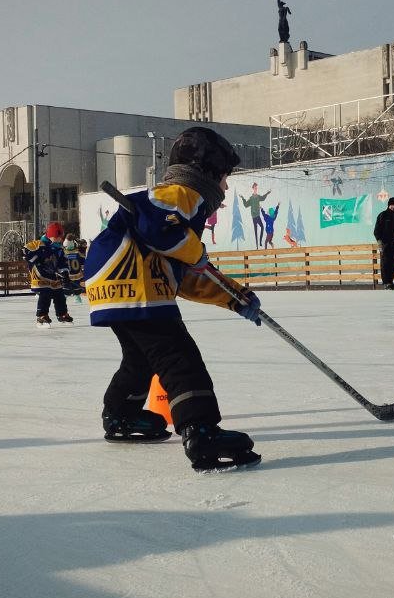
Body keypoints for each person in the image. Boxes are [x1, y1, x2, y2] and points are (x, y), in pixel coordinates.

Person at [83, 125, 262, 471]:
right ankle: (201, 431)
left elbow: (186, 280)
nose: (225, 187)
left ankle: (121, 414)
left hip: (113, 283)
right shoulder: (183, 194)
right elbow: (158, 229)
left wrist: (235, 297)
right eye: (224, 177)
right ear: (206, 173)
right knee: (177, 357)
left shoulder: (178, 215)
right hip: (133, 279)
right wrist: (195, 252)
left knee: (141, 359)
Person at [24, 221, 72, 324]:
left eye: (60, 237)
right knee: (45, 295)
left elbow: (62, 262)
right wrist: (37, 259)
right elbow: (25, 251)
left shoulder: (59, 249)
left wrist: (64, 273)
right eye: (57, 236)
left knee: (60, 295)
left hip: (53, 276)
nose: (60, 239)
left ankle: (62, 314)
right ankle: (42, 316)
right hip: (41, 276)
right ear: (50, 235)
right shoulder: (39, 244)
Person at [239, 182, 271, 249]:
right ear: (253, 189)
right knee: (256, 230)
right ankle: (257, 245)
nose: (256, 189)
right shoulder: (251, 198)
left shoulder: (258, 197)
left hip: (258, 216)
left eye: (256, 188)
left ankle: (260, 242)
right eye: (255, 188)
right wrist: (243, 198)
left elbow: (263, 198)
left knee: (262, 227)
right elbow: (246, 205)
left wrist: (267, 193)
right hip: (254, 217)